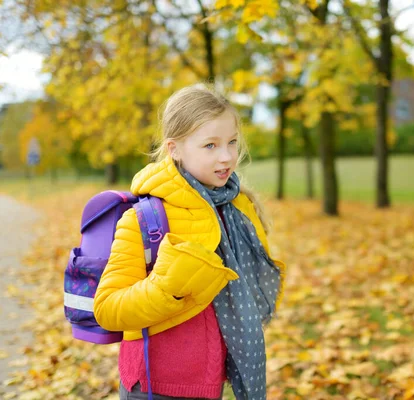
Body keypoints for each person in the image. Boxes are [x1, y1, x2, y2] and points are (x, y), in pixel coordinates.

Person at [94, 85, 286, 400]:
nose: (226, 157)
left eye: (232, 142)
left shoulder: (238, 207)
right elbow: (108, 309)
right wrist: (169, 287)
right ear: (175, 149)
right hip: (156, 387)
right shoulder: (145, 218)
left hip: (211, 384)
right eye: (210, 145)